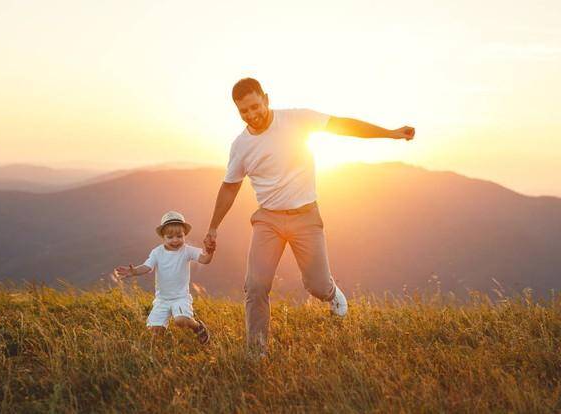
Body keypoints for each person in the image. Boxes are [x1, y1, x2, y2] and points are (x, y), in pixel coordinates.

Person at [204, 78, 415, 351]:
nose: (252, 115)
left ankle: (331, 293)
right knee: (255, 287)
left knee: (315, 285)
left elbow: (342, 125)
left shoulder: (297, 119)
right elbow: (230, 187)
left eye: (255, 106)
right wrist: (213, 227)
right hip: (268, 220)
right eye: (244, 111)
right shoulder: (240, 146)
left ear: (266, 98)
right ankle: (256, 353)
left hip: (306, 216)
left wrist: (391, 133)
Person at [114, 211, 213, 345]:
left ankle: (197, 327)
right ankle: (160, 355)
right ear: (163, 237)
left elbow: (205, 259)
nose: (175, 240)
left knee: (181, 320)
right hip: (162, 299)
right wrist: (134, 271)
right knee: (155, 331)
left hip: (180, 297)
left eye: (179, 236)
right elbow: (147, 267)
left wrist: (210, 251)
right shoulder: (157, 252)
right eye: (170, 237)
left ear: (185, 235)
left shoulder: (187, 250)